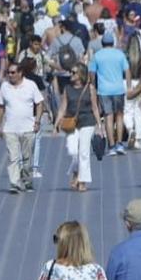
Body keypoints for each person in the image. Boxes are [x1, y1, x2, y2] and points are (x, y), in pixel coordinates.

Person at [0, 58, 45, 194]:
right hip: (10, 128)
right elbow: (0, 106)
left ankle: (27, 181)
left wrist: (38, 121)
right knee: (13, 157)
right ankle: (15, 183)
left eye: (12, 73)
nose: (10, 75)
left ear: (20, 73)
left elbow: (40, 103)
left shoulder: (31, 85)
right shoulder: (4, 87)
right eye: (8, 73)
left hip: (28, 127)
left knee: (27, 157)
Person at [54, 60, 100, 192]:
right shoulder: (67, 89)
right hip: (72, 122)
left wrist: (99, 125)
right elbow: (62, 108)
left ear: (81, 74)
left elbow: (95, 107)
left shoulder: (90, 88)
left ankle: (82, 181)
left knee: (84, 152)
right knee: (73, 151)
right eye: (71, 72)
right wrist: (56, 124)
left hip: (87, 121)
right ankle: (76, 172)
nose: (70, 74)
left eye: (73, 72)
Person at [90, 31, 130, 154]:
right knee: (119, 116)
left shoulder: (97, 55)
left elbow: (92, 74)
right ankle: (120, 144)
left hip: (104, 90)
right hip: (118, 89)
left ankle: (111, 146)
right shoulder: (119, 54)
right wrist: (128, 86)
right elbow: (127, 70)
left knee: (108, 117)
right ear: (113, 43)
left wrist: (92, 84)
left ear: (102, 43)